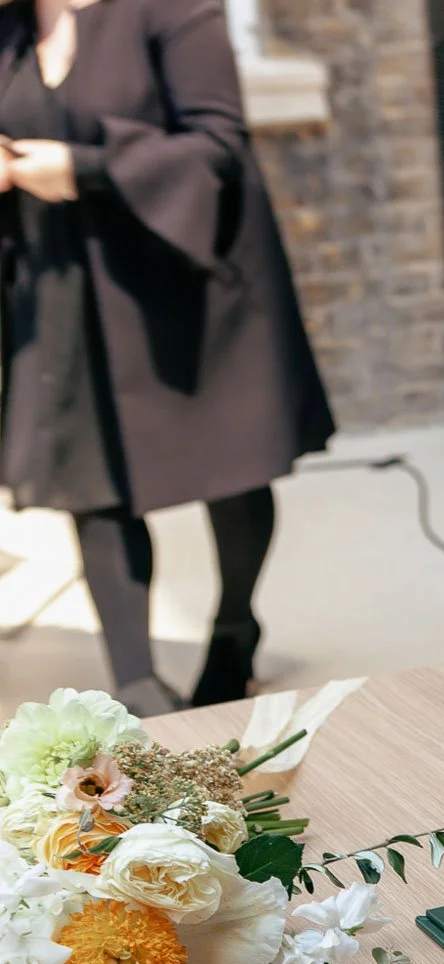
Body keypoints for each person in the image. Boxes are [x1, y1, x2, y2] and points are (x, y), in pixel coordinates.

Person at [0, 0, 333, 715]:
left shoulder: (174, 11)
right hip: (60, 284)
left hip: (183, 284)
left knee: (230, 473)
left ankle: (234, 630)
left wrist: (85, 166)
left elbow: (218, 142)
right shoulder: (12, 29)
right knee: (90, 484)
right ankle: (136, 682)